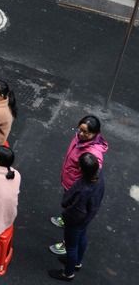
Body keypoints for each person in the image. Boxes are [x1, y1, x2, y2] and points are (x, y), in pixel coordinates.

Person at [49, 115, 109, 256]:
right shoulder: (80, 139)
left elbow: (94, 173)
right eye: (80, 130)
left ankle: (66, 244)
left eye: (85, 132)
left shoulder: (94, 154)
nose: (81, 134)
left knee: (73, 219)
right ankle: (65, 220)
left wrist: (79, 189)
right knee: (68, 208)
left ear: (95, 133)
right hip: (69, 182)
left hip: (76, 189)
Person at [48, 153, 105, 282]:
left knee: (71, 246)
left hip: (75, 220)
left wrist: (66, 215)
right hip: (88, 216)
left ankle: (68, 273)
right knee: (82, 237)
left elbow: (68, 203)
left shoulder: (83, 188)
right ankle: (77, 262)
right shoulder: (99, 175)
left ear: (82, 169)